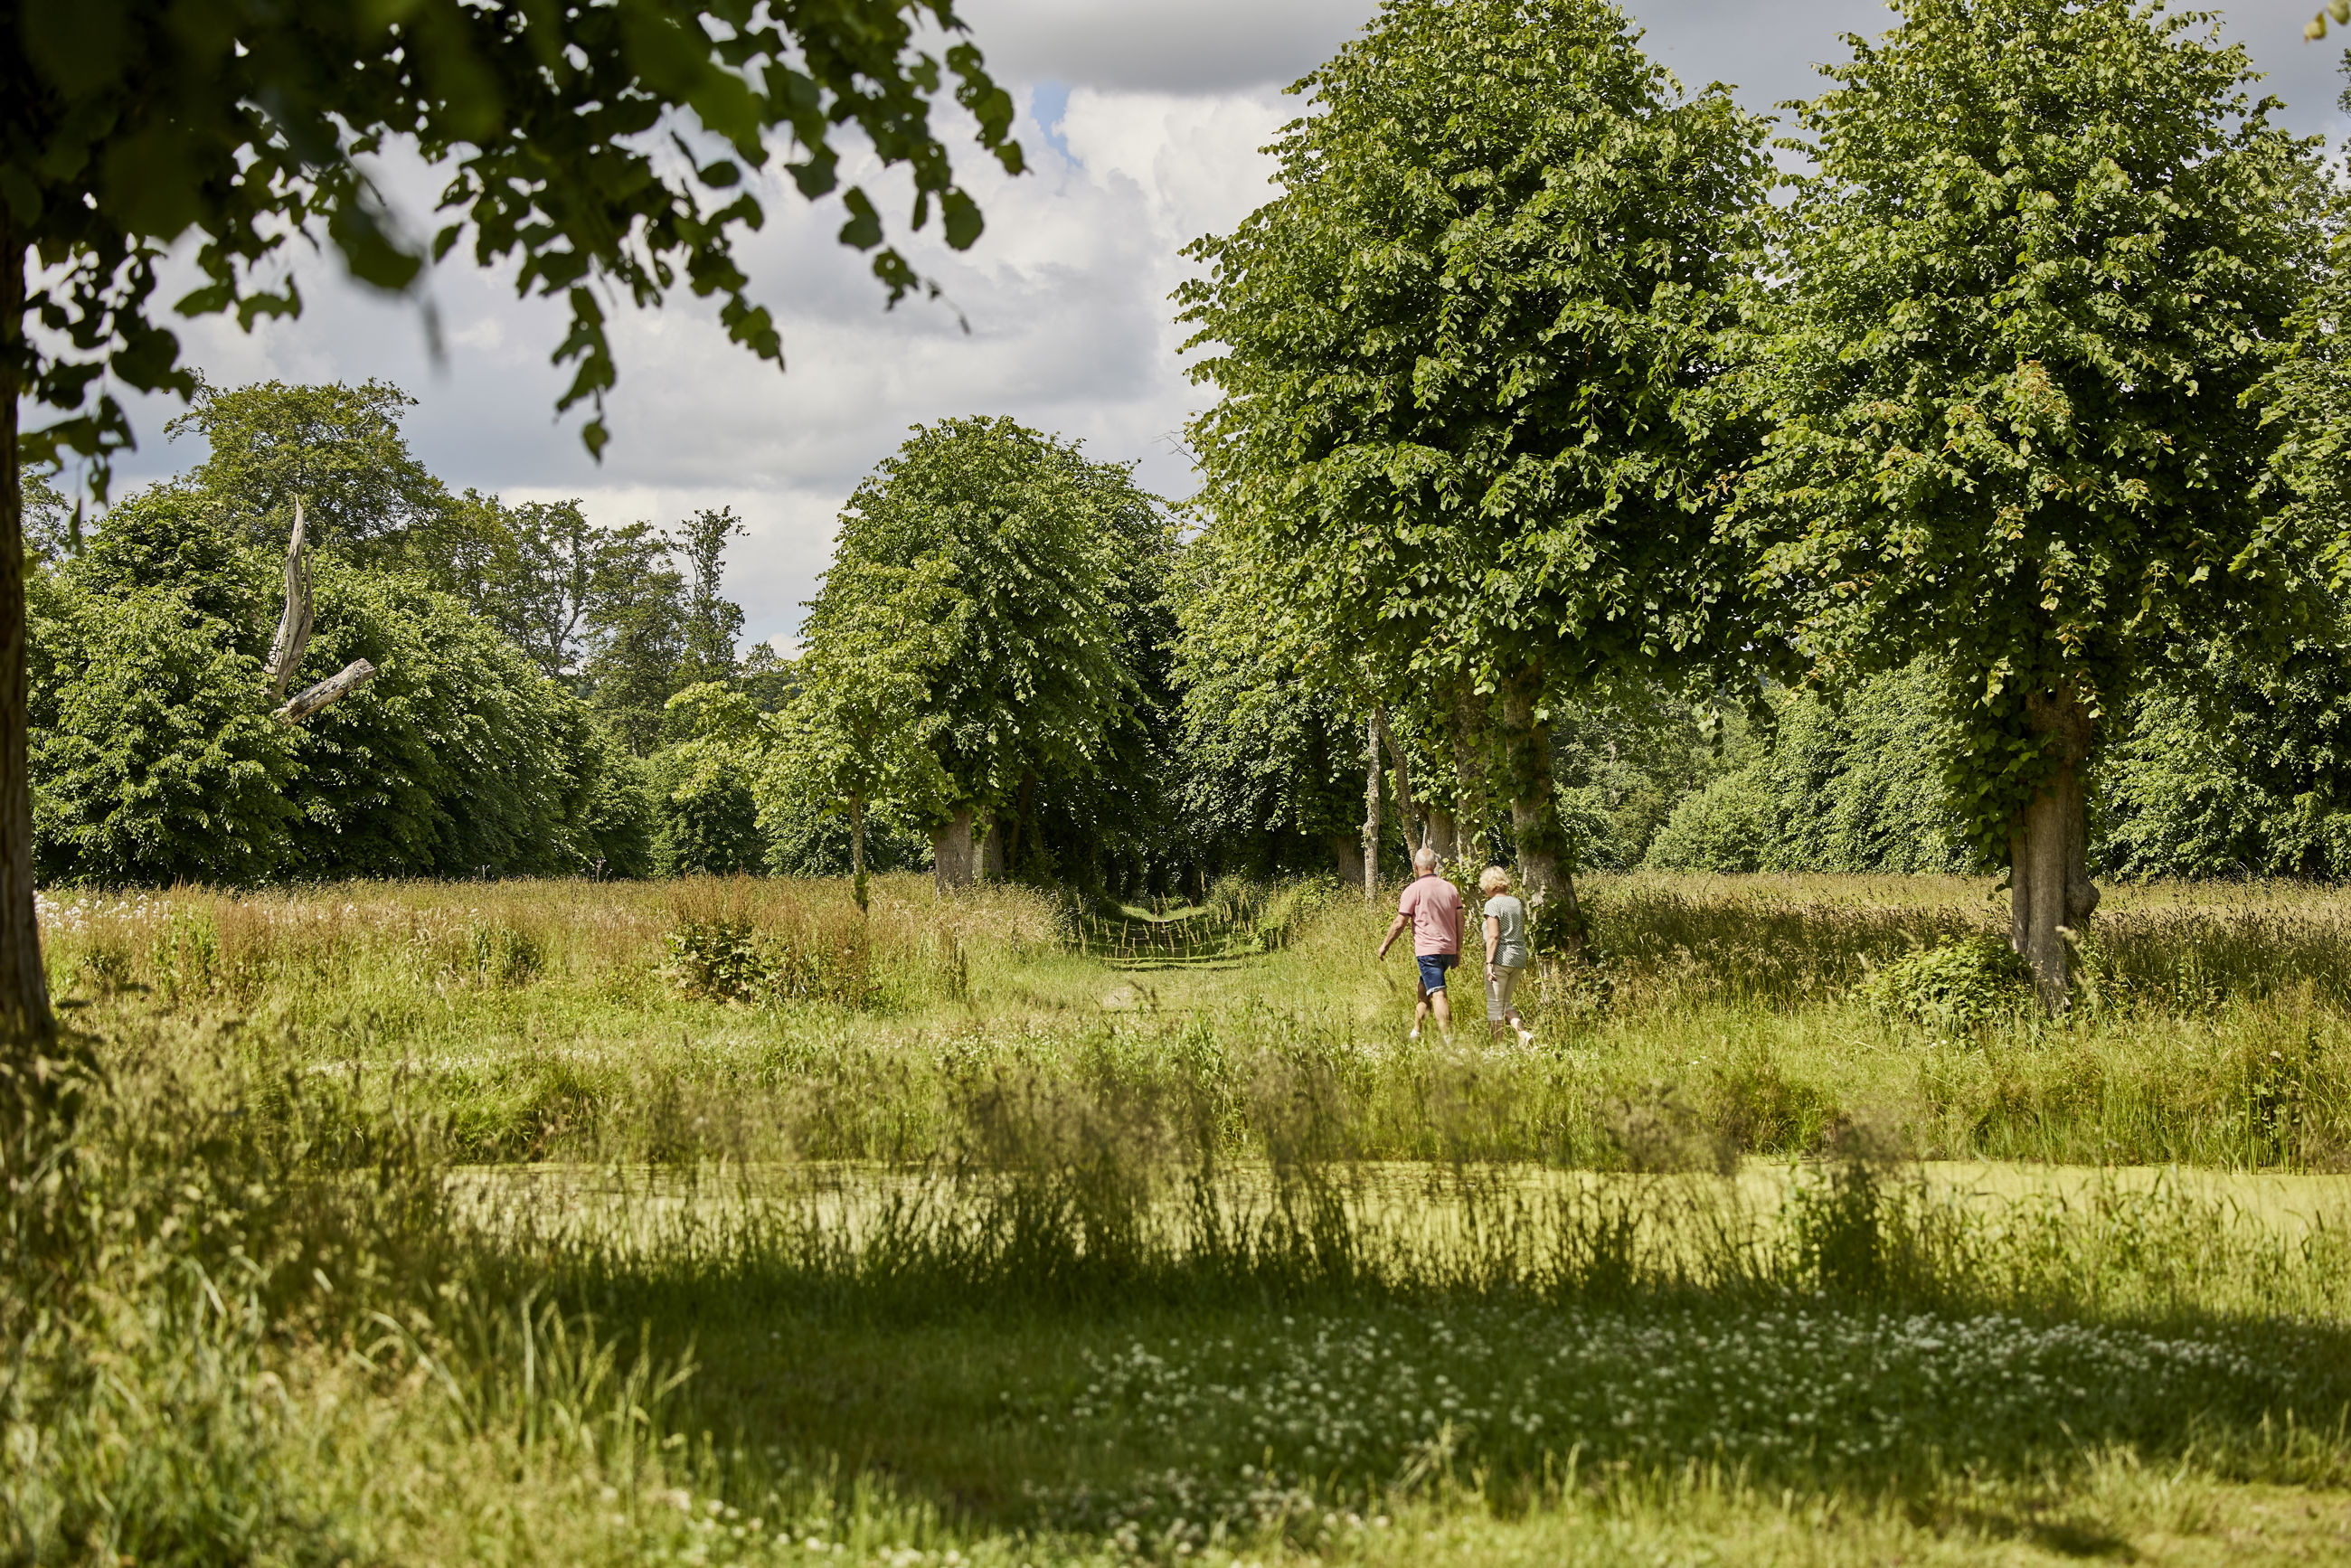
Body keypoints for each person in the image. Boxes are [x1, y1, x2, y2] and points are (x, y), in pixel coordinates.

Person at [1376, 845, 1462, 1041]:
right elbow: (1460, 919)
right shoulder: (1450, 889)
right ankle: (1416, 1032)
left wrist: (1385, 946)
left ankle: (1449, 1041)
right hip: (1448, 950)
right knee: (1423, 989)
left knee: (1438, 993)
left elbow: (1400, 922)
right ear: (1435, 865)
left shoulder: (1413, 890)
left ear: (1416, 867)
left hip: (1428, 952)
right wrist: (1457, 949)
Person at [1479, 864, 1534, 1045]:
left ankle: (1497, 1048)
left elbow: (1494, 936)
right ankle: (1524, 1035)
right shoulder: (1516, 902)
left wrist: (1489, 964)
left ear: (1488, 885)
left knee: (1495, 1006)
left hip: (1501, 959)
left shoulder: (1492, 904)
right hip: (1518, 957)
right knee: (1505, 1004)